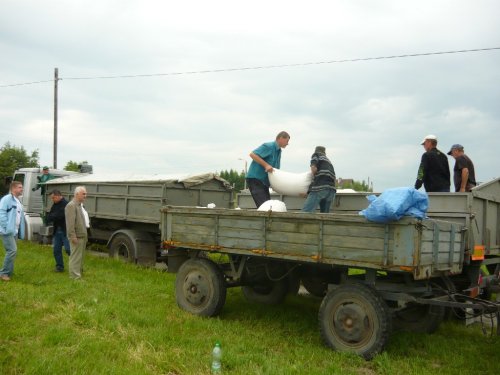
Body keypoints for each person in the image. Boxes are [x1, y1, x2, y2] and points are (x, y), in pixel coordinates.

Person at [246, 131, 290, 208]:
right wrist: (266, 165)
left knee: (267, 205)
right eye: (287, 141)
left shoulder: (279, 151)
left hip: (264, 183)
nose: (287, 143)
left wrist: (274, 184)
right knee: (265, 207)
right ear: (281, 138)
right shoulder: (269, 146)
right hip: (256, 180)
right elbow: (252, 154)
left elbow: (274, 169)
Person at [0, 181, 25, 281]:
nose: (21, 189)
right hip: (7, 231)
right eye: (19, 187)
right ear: (13, 188)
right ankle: (3, 273)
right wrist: (6, 227)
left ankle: (9, 272)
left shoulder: (17, 200)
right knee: (12, 250)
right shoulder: (7, 199)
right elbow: (1, 213)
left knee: (11, 251)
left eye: (21, 187)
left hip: (14, 230)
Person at [302, 146, 337, 213]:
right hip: (331, 191)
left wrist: (310, 189)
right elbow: (334, 178)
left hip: (320, 188)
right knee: (324, 216)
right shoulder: (328, 161)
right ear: (324, 152)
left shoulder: (316, 155)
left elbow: (314, 169)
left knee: (305, 213)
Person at [65, 186, 89, 279]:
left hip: (82, 235)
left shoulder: (79, 205)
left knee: (80, 257)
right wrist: (72, 236)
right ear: (77, 194)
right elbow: (70, 223)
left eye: (85, 194)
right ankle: (74, 277)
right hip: (77, 236)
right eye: (83, 194)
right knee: (75, 257)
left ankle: (78, 273)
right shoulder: (71, 205)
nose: (85, 196)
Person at [46, 189, 71, 272]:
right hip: (57, 231)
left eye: (53, 198)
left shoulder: (66, 204)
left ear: (58, 196)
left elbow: (60, 216)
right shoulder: (55, 205)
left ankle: (76, 266)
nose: (52, 200)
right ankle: (59, 267)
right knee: (56, 250)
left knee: (69, 249)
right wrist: (53, 216)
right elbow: (49, 216)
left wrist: (53, 216)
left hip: (65, 230)